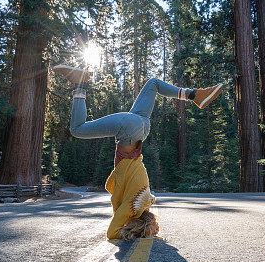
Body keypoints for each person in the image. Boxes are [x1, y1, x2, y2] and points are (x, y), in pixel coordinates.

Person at [53, 64, 223, 240]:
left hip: (143, 125)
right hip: (128, 130)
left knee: (153, 84)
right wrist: (129, 232)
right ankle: (79, 83)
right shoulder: (132, 208)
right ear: (136, 222)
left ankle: (194, 94)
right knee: (78, 129)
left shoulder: (147, 200)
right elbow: (112, 231)